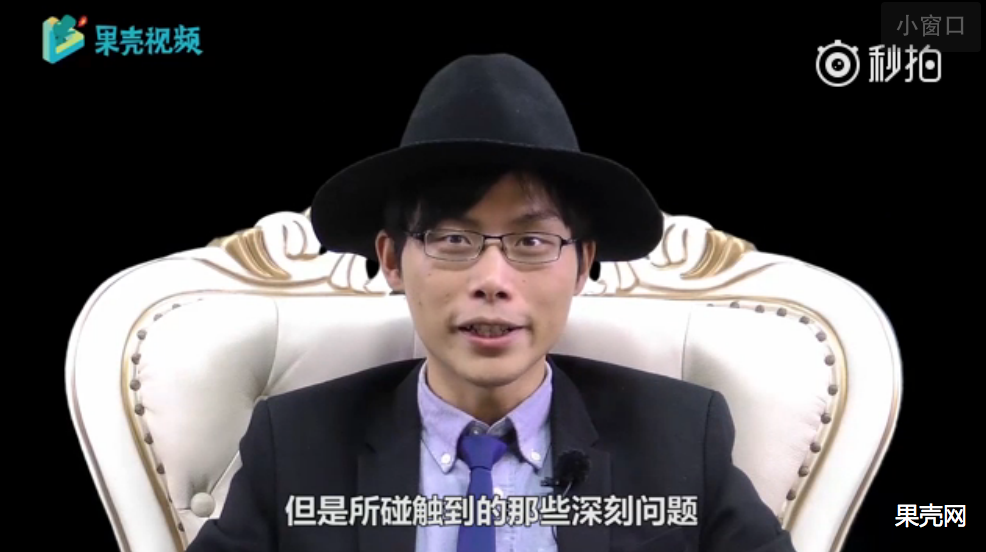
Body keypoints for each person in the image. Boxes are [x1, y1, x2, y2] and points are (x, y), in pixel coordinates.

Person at [187, 53, 796, 552]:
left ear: (582, 264)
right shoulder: (294, 444)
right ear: (392, 260)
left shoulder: (680, 436)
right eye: (454, 240)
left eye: (532, 242)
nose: (492, 280)